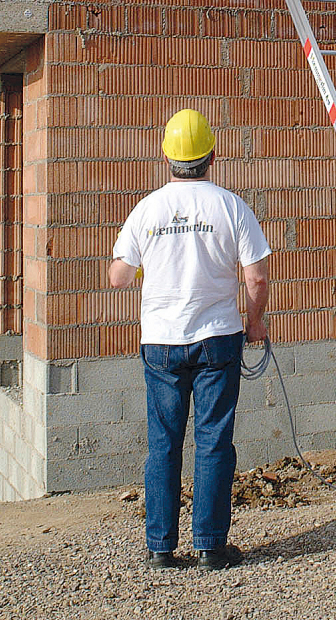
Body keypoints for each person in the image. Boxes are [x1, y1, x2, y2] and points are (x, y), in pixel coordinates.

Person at [109, 108, 271, 570]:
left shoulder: (148, 209)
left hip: (161, 341)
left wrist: (146, 262)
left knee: (163, 442)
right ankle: (210, 546)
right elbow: (255, 279)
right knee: (214, 440)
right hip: (218, 338)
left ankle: (160, 547)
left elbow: (119, 277)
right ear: (212, 156)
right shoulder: (230, 206)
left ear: (167, 156)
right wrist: (254, 322)